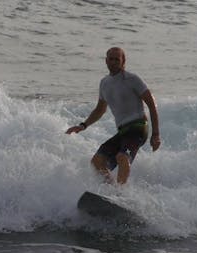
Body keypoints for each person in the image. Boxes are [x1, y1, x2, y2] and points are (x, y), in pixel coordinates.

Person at [66, 47, 161, 184]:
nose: (114, 62)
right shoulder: (104, 83)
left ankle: (121, 193)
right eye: (111, 59)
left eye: (117, 59)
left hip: (138, 127)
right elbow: (100, 109)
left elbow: (152, 105)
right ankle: (111, 191)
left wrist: (156, 134)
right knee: (97, 161)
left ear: (123, 61)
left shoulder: (132, 79)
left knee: (122, 157)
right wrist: (83, 125)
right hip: (123, 131)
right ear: (106, 61)